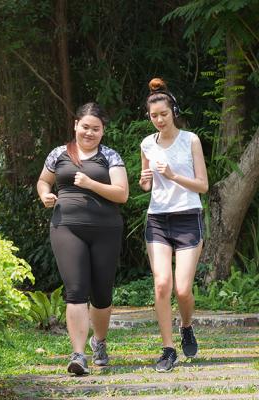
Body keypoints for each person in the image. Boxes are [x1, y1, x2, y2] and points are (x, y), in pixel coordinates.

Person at [37, 102, 129, 375]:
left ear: (103, 131)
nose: (89, 132)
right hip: (66, 227)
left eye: (96, 129)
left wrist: (90, 184)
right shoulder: (58, 154)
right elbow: (44, 180)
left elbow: (122, 194)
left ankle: (98, 342)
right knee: (75, 291)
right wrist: (44, 195)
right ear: (76, 125)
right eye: (85, 126)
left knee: (101, 294)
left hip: (106, 230)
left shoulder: (110, 156)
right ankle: (78, 355)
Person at [139, 78, 208, 373]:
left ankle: (187, 326)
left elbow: (203, 186)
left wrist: (174, 175)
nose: (159, 121)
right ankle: (168, 349)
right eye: (153, 116)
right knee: (162, 284)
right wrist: (146, 181)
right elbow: (146, 182)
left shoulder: (190, 139)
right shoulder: (146, 144)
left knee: (182, 289)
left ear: (173, 112)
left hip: (188, 216)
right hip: (158, 219)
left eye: (163, 115)